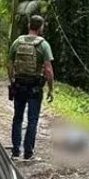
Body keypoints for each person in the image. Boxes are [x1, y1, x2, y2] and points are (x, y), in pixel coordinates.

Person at [8, 15, 54, 160]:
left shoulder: (17, 42)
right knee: (32, 120)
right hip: (34, 87)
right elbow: (48, 70)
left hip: (19, 85)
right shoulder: (43, 45)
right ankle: (28, 153)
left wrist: (12, 81)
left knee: (17, 118)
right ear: (41, 27)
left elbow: (9, 65)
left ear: (29, 26)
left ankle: (15, 151)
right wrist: (51, 88)